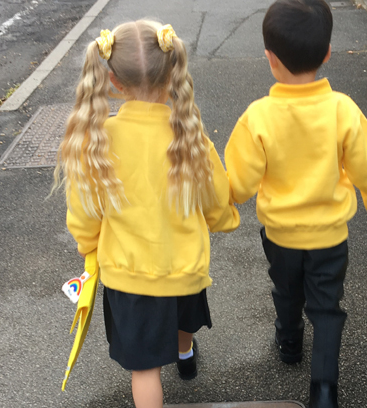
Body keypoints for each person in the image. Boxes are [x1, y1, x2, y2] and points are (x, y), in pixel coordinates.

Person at [224, 0, 367, 408]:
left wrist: (222, 200)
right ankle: (323, 389)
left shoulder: (258, 117)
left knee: (286, 291)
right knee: (326, 307)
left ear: (270, 57)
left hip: (281, 234)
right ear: (327, 53)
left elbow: (240, 183)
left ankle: (288, 342)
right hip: (329, 236)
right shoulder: (342, 110)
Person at [54, 20, 240, 408]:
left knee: (145, 370)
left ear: (112, 82)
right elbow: (214, 197)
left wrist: (88, 244)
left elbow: (85, 209)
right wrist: (224, 221)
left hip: (130, 275)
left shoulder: (97, 142)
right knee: (184, 317)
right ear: (172, 74)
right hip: (183, 263)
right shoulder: (189, 136)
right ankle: (186, 357)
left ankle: (173, 368)